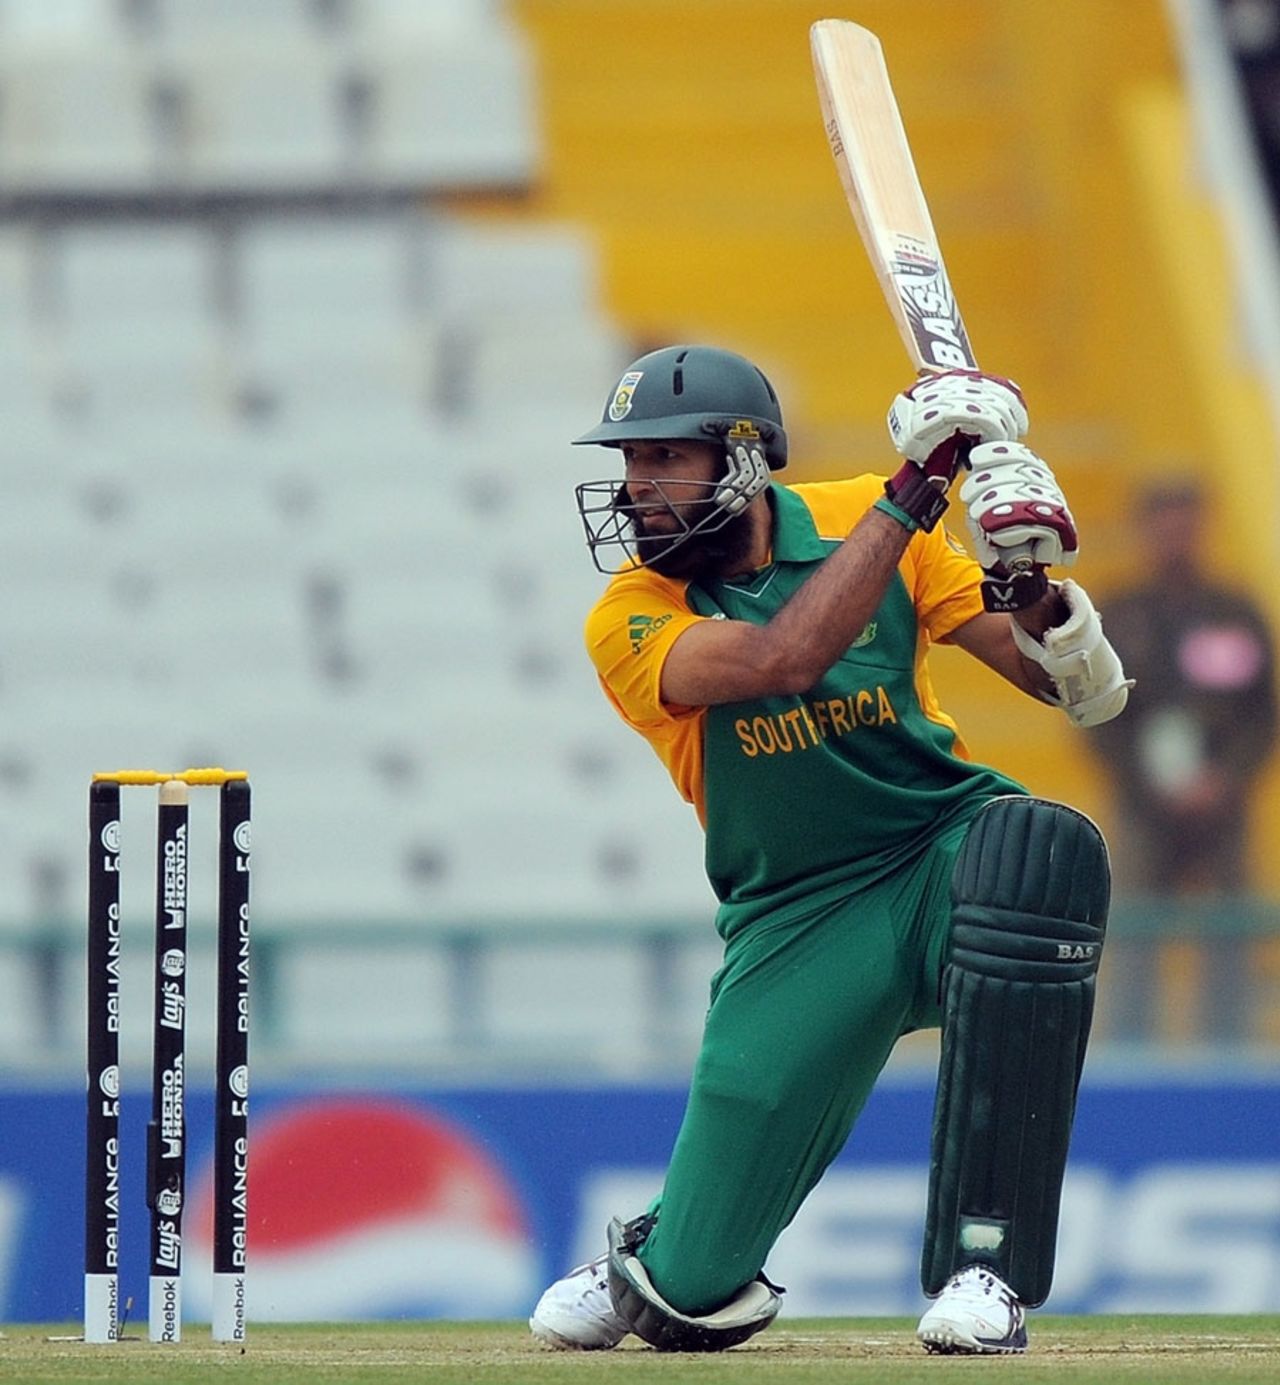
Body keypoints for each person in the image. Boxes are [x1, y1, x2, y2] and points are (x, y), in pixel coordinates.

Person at [529, 345, 1130, 1356]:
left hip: (942, 851)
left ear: (740, 459)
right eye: (628, 464)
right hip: (796, 915)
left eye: (661, 460)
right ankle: (666, 1246)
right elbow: (782, 657)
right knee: (686, 1299)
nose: (634, 491)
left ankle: (984, 1266)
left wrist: (1026, 576)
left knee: (1035, 851)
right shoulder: (627, 615)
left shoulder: (868, 517)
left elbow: (1066, 688)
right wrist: (919, 484)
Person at [1087, 479, 1277, 895]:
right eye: (1165, 528)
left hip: (1224, 805)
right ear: (1145, 530)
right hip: (1142, 806)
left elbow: (1263, 711)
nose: (1175, 539)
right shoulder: (1118, 617)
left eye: (1185, 528)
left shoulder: (1235, 613)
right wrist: (1146, 782)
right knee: (1137, 927)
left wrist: (1226, 777)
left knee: (1231, 926)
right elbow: (1092, 711)